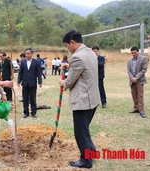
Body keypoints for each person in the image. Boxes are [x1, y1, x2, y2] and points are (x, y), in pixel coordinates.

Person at [59, 30, 100, 169]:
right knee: (84, 129)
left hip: (83, 101)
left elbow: (69, 81)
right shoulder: (89, 52)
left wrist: (63, 83)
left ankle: (86, 160)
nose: (67, 49)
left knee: (80, 132)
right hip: (93, 99)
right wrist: (69, 66)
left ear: (72, 42)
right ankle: (92, 152)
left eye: (67, 45)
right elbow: (84, 68)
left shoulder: (77, 57)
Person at [18, 48, 42, 118]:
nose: (27, 55)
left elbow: (39, 72)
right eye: (26, 53)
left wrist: (40, 82)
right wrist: (19, 81)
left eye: (28, 53)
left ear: (32, 54)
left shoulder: (36, 62)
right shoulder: (23, 62)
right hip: (25, 83)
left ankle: (34, 112)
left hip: (33, 83)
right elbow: (21, 72)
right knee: (25, 98)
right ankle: (26, 112)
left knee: (33, 98)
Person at [127, 46, 148, 118]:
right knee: (134, 95)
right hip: (132, 81)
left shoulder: (143, 59)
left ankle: (141, 110)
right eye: (132, 53)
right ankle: (136, 108)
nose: (133, 54)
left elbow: (143, 70)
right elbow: (128, 70)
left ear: (138, 51)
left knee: (140, 96)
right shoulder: (129, 60)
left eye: (134, 53)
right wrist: (132, 78)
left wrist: (137, 78)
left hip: (139, 80)